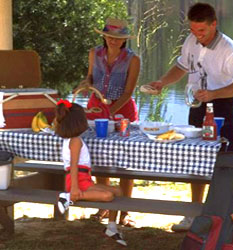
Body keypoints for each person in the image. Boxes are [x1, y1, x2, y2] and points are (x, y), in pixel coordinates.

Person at [148, 2, 233, 231]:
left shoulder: (230, 50)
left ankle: (225, 216)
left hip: (224, 106)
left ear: (214, 24)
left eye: (202, 31)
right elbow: (181, 66)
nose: (197, 35)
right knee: (194, 159)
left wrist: (215, 93)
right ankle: (193, 214)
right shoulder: (191, 41)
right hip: (198, 105)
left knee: (225, 161)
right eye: (193, 30)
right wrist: (162, 82)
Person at [75, 17, 140, 227]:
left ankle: (125, 210)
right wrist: (85, 85)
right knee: (100, 156)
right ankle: (104, 206)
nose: (113, 41)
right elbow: (90, 78)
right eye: (110, 36)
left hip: (123, 109)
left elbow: (128, 91)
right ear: (104, 36)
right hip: (96, 107)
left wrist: (109, 110)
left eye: (118, 38)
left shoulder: (133, 59)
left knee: (126, 160)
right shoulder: (95, 53)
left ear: (124, 40)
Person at [55, 100, 127, 246]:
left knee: (118, 191)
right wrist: (74, 188)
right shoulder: (75, 141)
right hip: (77, 181)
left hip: (84, 180)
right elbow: (73, 166)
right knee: (108, 196)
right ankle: (68, 197)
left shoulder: (75, 139)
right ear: (78, 122)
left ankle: (112, 228)